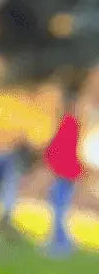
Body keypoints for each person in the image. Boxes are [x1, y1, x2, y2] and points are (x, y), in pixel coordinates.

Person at [44, 94, 84, 256]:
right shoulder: (71, 123)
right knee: (58, 207)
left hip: (65, 174)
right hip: (65, 173)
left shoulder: (69, 123)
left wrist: (50, 158)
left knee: (59, 208)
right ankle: (61, 241)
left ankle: (62, 244)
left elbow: (60, 149)